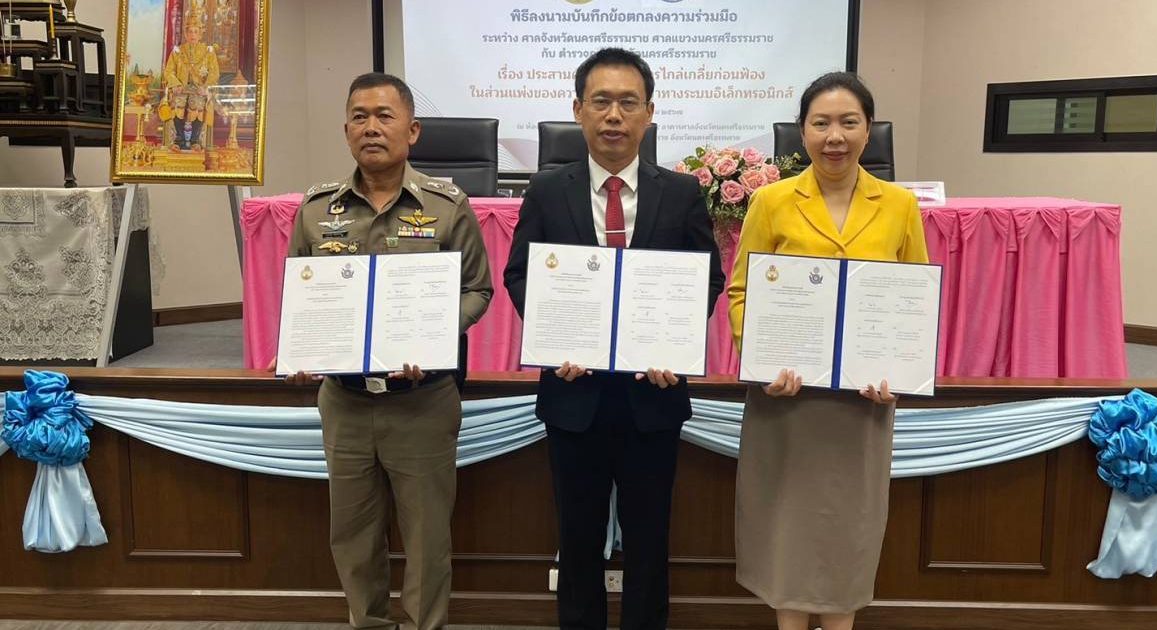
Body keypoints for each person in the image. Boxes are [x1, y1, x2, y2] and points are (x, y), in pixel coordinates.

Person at [503, 47, 725, 630]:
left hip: (654, 397)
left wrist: (674, 345)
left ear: (649, 113)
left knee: (650, 540)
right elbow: (520, 274)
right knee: (577, 540)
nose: (614, 116)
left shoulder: (681, 192)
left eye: (628, 103)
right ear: (578, 110)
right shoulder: (546, 190)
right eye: (600, 101)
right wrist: (554, 339)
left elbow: (707, 277)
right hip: (573, 397)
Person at [279, 72, 493, 630]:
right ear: (346, 130)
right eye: (359, 116)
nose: (371, 127)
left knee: (426, 541)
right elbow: (300, 292)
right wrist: (301, 349)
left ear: (412, 130)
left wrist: (435, 337)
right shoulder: (316, 209)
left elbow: (478, 289)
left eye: (384, 116)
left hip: (421, 402)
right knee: (352, 537)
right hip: (345, 403)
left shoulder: (447, 206)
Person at [726, 72, 929, 630]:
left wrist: (898, 373)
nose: (834, 136)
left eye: (848, 122)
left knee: (848, 531)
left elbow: (913, 296)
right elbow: (742, 292)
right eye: (821, 123)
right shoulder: (770, 201)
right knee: (787, 531)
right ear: (802, 132)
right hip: (787, 401)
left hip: (862, 405)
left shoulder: (899, 205)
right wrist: (760, 362)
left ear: (869, 130)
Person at [161, 12, 220, 152]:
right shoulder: (177, 51)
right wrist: (175, 84)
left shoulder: (208, 52)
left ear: (200, 34)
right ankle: (179, 140)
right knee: (177, 102)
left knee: (198, 102)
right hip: (181, 88)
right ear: (186, 34)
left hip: (199, 89)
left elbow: (214, 72)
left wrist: (205, 87)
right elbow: (168, 71)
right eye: (190, 32)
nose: (193, 35)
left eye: (196, 31)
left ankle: (195, 140)